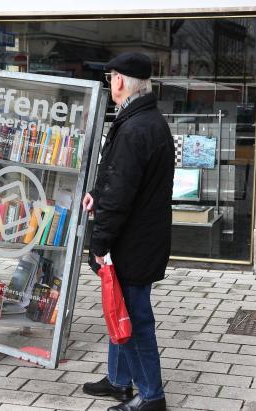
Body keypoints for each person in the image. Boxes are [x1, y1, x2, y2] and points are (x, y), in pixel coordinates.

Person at [82, 52, 174, 411]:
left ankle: (151, 396)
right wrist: (96, 193)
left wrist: (99, 242)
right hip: (142, 238)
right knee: (120, 307)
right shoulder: (144, 120)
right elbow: (118, 180)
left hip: (134, 243)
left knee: (135, 318)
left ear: (119, 81)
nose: (110, 84)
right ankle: (120, 380)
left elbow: (120, 196)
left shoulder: (135, 127)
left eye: (111, 78)